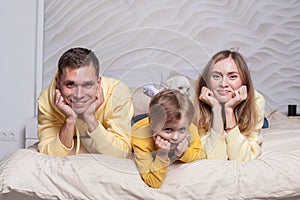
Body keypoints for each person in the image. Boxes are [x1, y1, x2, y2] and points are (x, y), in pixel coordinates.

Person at [37, 47, 134, 158]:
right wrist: (70, 120)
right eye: (70, 84)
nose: (79, 95)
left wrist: (90, 118)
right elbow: (48, 153)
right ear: (58, 83)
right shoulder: (46, 99)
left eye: (87, 85)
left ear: (98, 83)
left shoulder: (118, 93)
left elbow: (122, 153)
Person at [195, 49, 265, 161]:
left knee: (265, 123)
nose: (223, 84)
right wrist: (216, 110)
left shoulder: (257, 100)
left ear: (244, 82)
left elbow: (241, 158)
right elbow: (216, 158)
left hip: (242, 110)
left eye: (232, 77)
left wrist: (229, 111)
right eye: (216, 76)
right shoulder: (195, 103)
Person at [131, 89, 206, 188]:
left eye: (182, 129)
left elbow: (202, 156)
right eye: (168, 130)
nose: (175, 137)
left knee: (171, 114)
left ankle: (160, 100)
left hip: (160, 121)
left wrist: (184, 152)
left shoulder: (190, 129)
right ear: (152, 125)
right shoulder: (140, 139)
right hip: (139, 122)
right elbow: (152, 181)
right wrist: (162, 154)